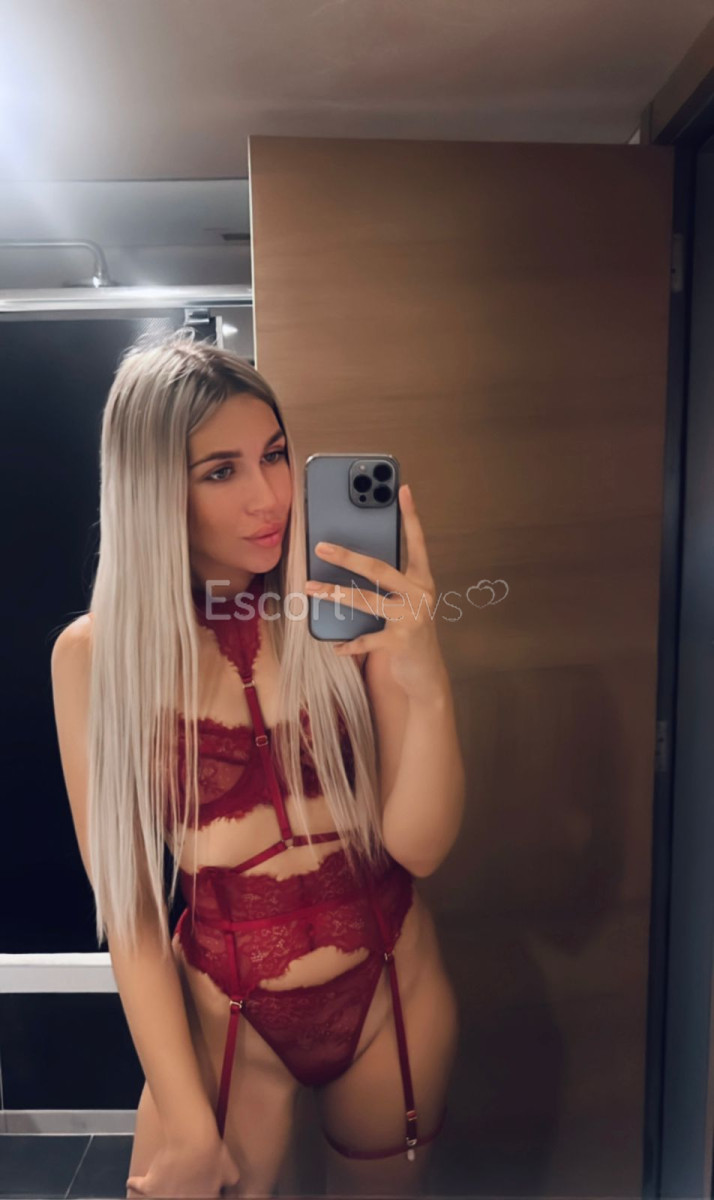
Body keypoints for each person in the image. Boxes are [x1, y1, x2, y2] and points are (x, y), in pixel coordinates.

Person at [50, 328, 465, 1198]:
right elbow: (129, 912)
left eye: (275, 455)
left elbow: (419, 847)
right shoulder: (97, 658)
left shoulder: (340, 605)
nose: (270, 495)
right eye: (221, 471)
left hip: (393, 991)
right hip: (227, 1020)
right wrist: (188, 1126)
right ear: (153, 490)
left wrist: (426, 682)